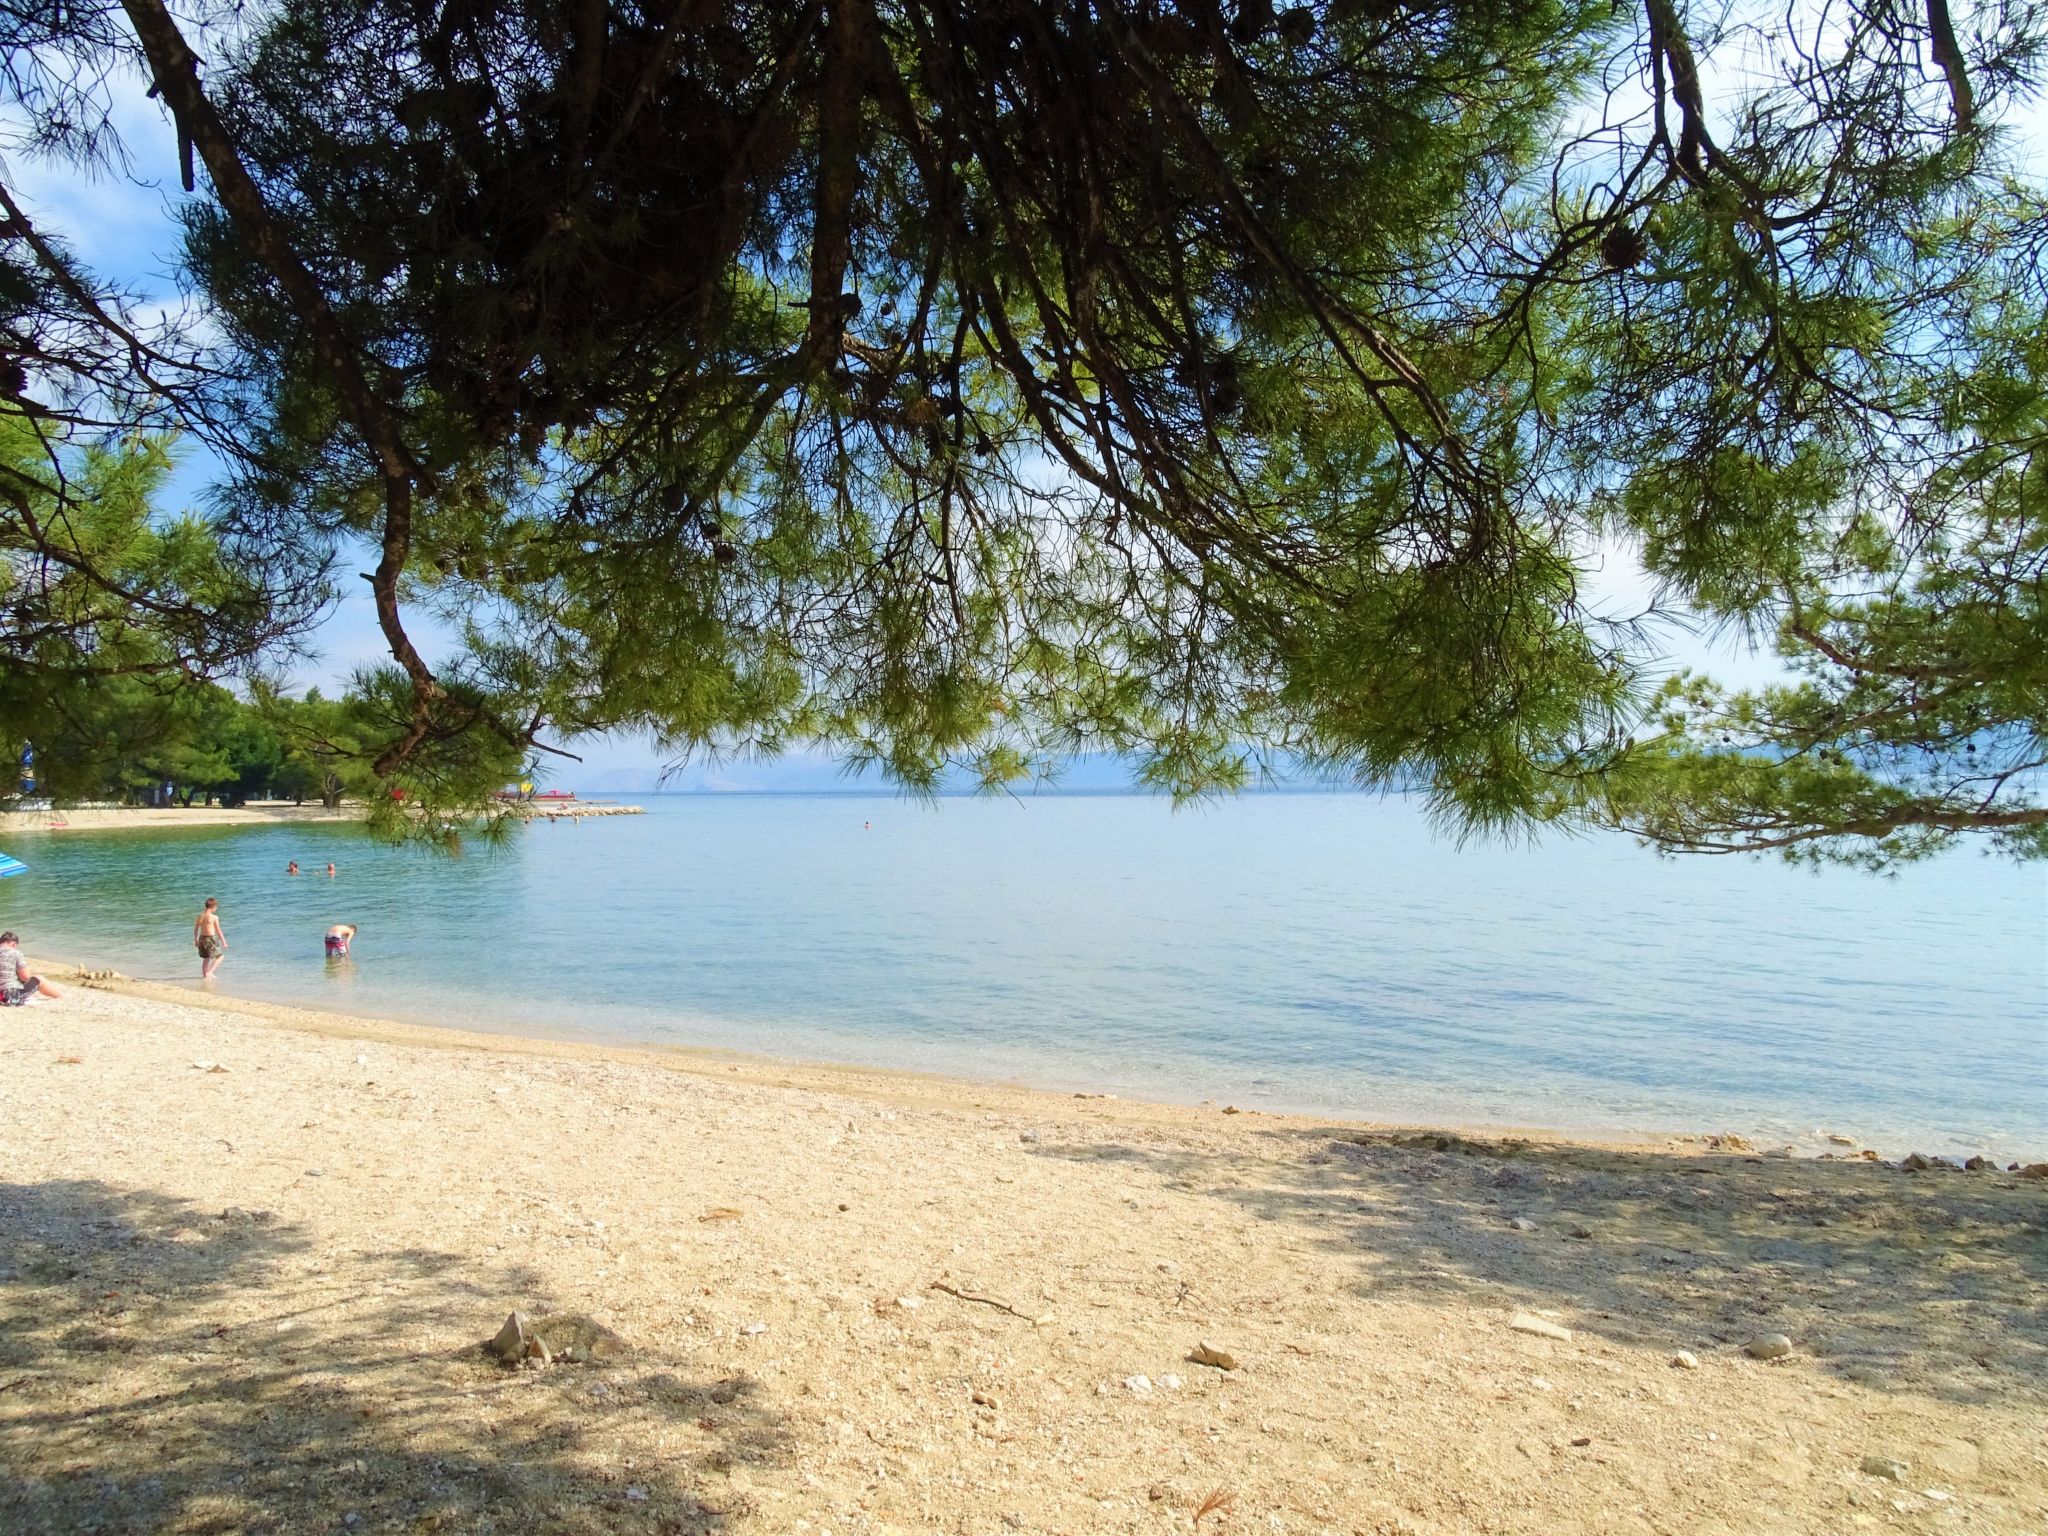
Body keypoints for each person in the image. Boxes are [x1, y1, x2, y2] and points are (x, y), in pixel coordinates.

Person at [0, 932, 62, 1004]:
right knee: (38, 978)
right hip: (8, 996)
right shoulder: (16, 953)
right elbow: (25, 977)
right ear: (14, 944)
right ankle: (60, 997)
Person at [194, 897, 226, 979]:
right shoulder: (214, 917)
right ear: (213, 907)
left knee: (206, 958)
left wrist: (196, 939)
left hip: (202, 938)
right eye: (216, 907)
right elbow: (218, 930)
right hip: (210, 939)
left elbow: (196, 928)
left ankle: (205, 975)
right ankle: (210, 972)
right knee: (221, 957)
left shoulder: (200, 916)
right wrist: (224, 941)